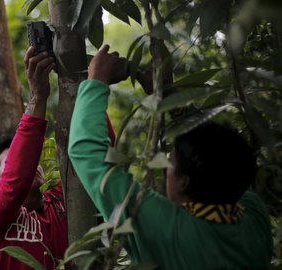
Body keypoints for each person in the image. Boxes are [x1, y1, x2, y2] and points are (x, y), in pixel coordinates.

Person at [68, 44, 272, 269]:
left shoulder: (167, 228)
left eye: (171, 163)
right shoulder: (254, 216)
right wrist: (171, 98)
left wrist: (96, 80)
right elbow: (223, 154)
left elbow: (86, 151)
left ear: (184, 182)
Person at [0, 46, 68, 269]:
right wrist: (37, 97)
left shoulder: (61, 200)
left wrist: (88, 84)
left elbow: (94, 161)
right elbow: (15, 181)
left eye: (32, 160)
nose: (30, 164)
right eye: (10, 164)